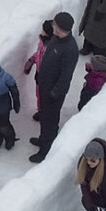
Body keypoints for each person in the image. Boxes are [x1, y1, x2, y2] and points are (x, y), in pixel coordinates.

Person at [30, 11, 80, 163]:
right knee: (46, 117)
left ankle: (45, 149)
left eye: (54, 24)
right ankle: (44, 138)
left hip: (53, 93)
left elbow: (66, 76)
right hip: (45, 87)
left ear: (60, 28)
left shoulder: (70, 49)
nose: (52, 26)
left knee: (49, 120)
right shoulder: (56, 38)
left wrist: (54, 93)